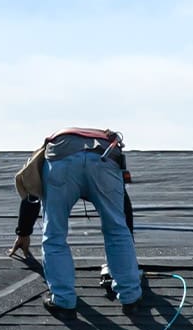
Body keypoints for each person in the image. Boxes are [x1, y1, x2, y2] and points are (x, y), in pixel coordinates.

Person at [9, 128, 144, 317]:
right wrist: (129, 257)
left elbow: (32, 192)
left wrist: (23, 232)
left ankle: (63, 299)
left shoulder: (50, 147)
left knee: (54, 233)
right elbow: (124, 211)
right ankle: (130, 297)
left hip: (60, 160)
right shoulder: (103, 149)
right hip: (103, 159)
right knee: (116, 229)